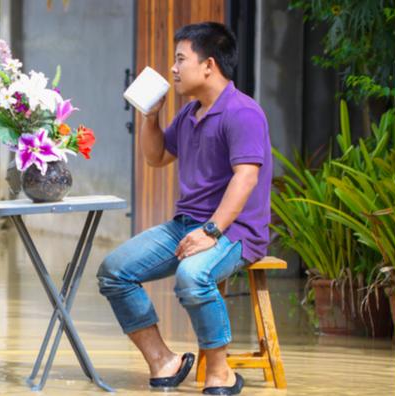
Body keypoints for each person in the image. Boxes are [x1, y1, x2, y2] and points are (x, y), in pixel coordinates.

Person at [97, 21, 272, 395]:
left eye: (180, 59)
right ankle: (164, 361)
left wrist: (211, 232)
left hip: (235, 231)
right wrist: (150, 115)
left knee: (192, 277)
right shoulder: (190, 114)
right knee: (114, 271)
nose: (173, 69)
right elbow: (156, 157)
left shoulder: (243, 113)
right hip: (185, 225)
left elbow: (246, 179)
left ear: (209, 65)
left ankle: (220, 374)